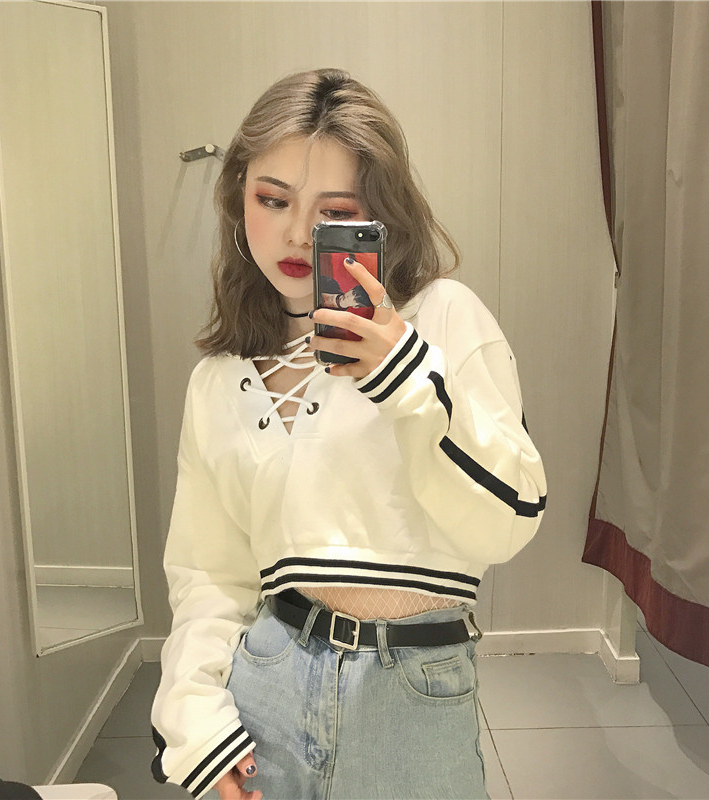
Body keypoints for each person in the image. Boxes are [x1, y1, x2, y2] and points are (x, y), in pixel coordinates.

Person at [150, 68, 547, 800]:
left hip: (411, 696)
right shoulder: (216, 382)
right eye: (273, 199)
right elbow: (209, 577)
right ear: (238, 196)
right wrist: (195, 721)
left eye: (333, 211)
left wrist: (405, 379)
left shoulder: (443, 318)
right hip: (266, 685)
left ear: (377, 219)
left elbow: (510, 520)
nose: (297, 233)